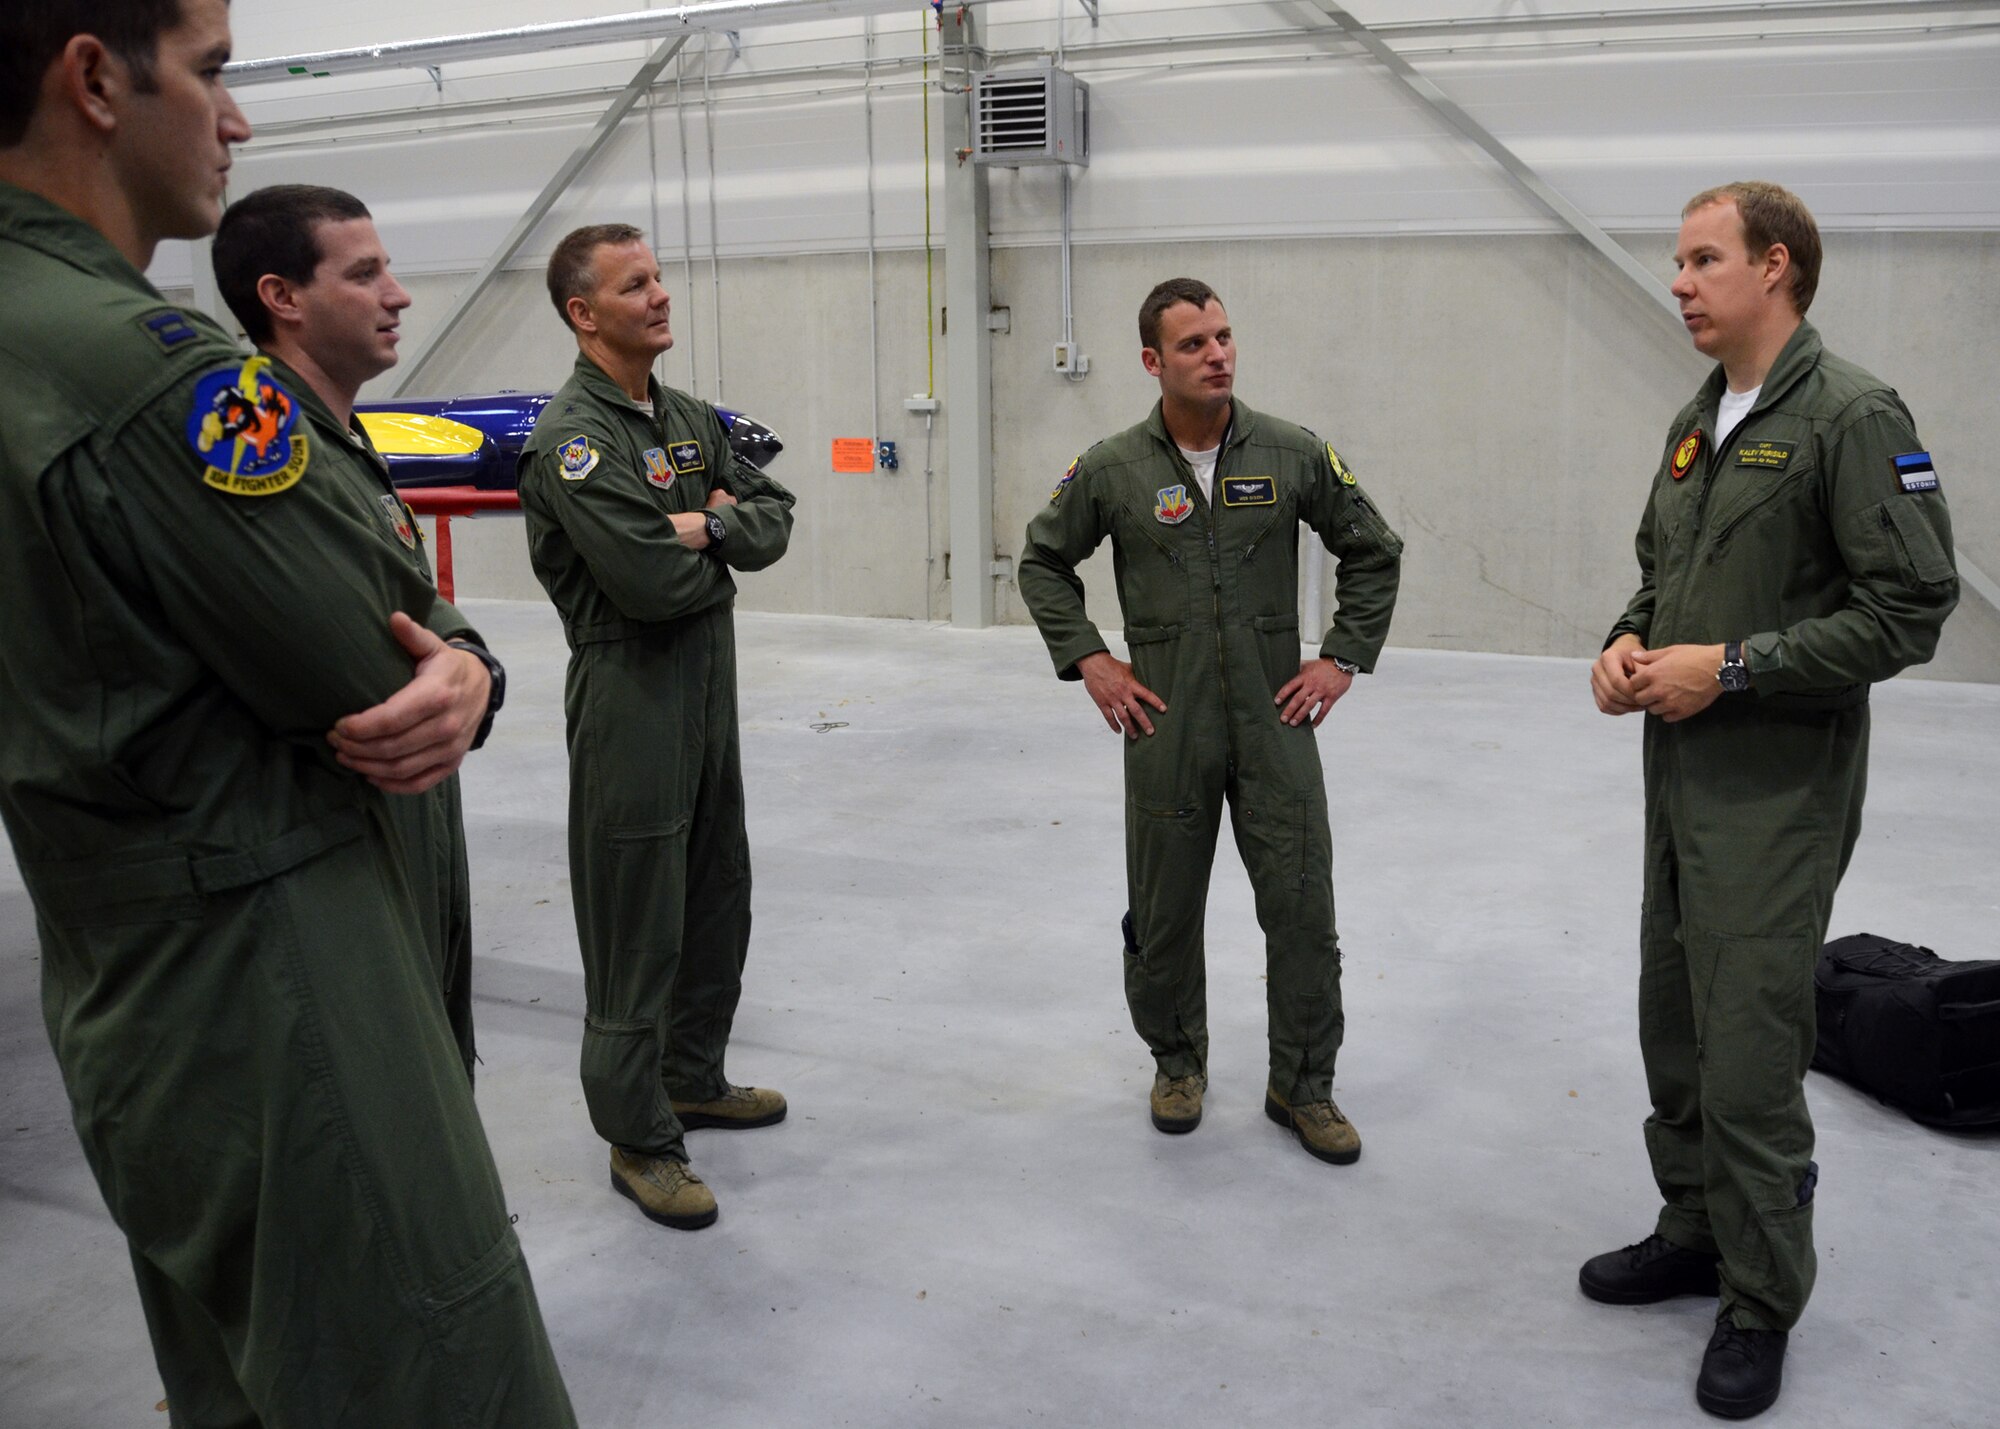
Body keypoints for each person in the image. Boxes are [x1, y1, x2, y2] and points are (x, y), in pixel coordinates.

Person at [0, 5, 576, 1423]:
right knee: (440, 1366)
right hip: (277, 980)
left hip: (123, 986)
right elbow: (374, 657)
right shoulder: (149, 374)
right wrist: (465, 664)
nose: (236, 119)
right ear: (91, 78)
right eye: (210, 73)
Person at [1583, 181, 1957, 1420]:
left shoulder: (1850, 416)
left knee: (1747, 1052)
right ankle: (1692, 1230)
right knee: (1675, 1024)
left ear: (1776, 268)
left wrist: (1731, 667)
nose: (1676, 280)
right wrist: (1626, 646)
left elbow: (1909, 608)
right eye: (1675, 260)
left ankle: (1759, 1294)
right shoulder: (1703, 416)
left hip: (1774, 790)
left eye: (1700, 258)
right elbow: (1660, 568)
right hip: (1678, 775)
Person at [1017, 278, 1403, 1164]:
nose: (1217, 354)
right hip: (1166, 722)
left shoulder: (1293, 451)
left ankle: (1304, 1084)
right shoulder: (1112, 469)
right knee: (1163, 912)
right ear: (1153, 361)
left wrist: (1341, 658)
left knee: (1303, 906)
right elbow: (1042, 561)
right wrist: (1092, 657)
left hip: (1275, 717)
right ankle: (1177, 1063)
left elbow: (1372, 549)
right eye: (1193, 344)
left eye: (1224, 336)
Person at [518, 223, 797, 1231]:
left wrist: (703, 524)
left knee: (716, 890)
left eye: (658, 277)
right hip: (630, 692)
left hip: (705, 692)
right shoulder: (571, 440)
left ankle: (690, 1078)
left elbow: (774, 517)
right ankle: (635, 1134)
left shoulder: (684, 416)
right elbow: (644, 583)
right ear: (583, 313)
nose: (659, 295)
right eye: (634, 285)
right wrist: (701, 532)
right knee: (636, 915)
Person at [211, 182, 498, 1081]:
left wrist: (471, 664)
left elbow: (417, 614)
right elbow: (370, 661)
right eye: (366, 272)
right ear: (282, 298)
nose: (399, 294)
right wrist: (456, 663)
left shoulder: (339, 436)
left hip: (405, 836)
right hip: (331, 854)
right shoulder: (250, 436)